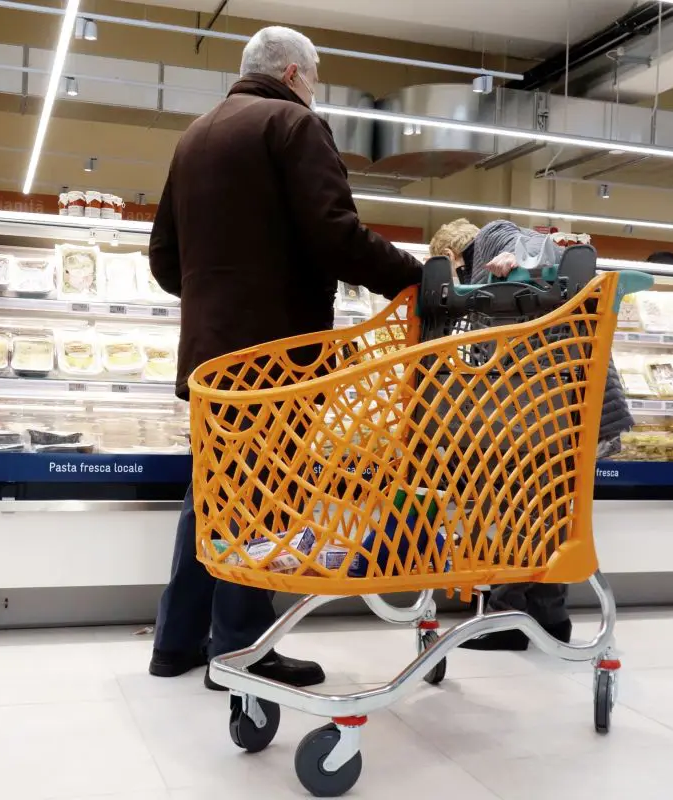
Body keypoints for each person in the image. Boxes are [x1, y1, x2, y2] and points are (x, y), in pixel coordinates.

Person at [147, 26, 423, 689]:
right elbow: (336, 236)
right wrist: (417, 278)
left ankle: (177, 642)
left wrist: (219, 299)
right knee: (264, 502)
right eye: (317, 75)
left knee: (211, 496)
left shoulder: (195, 137)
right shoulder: (293, 124)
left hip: (209, 358)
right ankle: (240, 651)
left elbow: (163, 260)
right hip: (276, 358)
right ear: (295, 72)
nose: (316, 87)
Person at [427, 219, 635, 650]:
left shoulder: (493, 239)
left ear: (452, 257)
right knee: (550, 514)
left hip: (545, 412)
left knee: (513, 513)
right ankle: (550, 619)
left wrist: (519, 256)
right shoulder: (500, 288)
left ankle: (506, 620)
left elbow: (553, 246)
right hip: (561, 409)